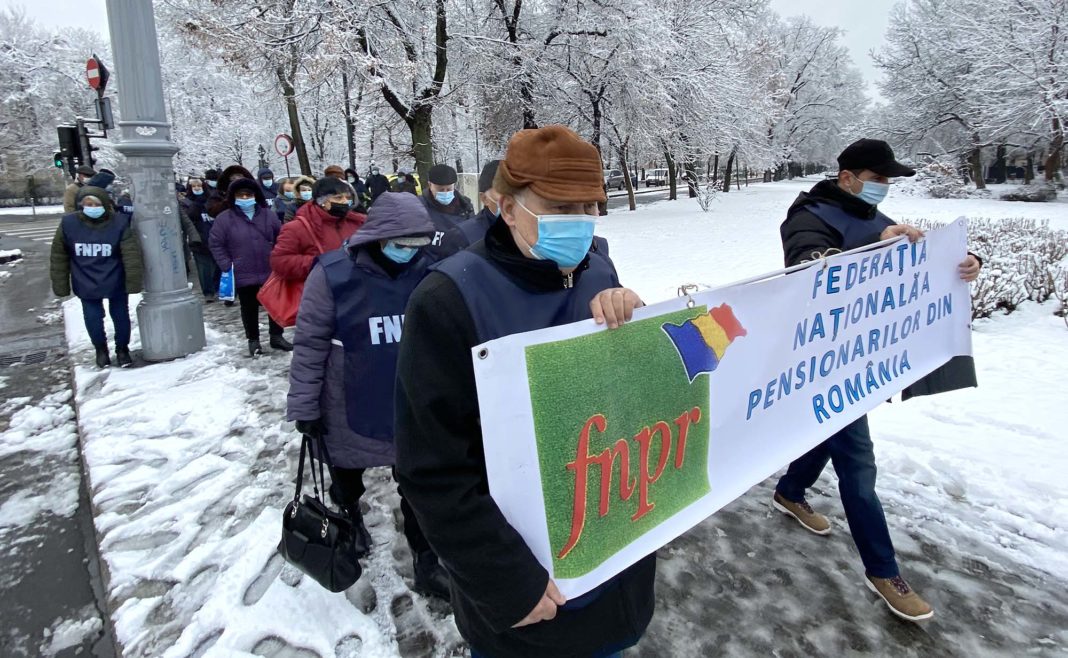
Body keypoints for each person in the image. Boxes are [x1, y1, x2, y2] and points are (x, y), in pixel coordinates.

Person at [395, 125, 652, 657]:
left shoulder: (597, 267)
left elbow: (624, 397)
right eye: (560, 206)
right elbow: (431, 470)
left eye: (589, 207)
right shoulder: (449, 299)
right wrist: (506, 584)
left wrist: (630, 323)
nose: (579, 222)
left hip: (612, 566)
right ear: (507, 208)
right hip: (528, 599)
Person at [772, 138, 983, 623]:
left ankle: (790, 491)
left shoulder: (871, 217)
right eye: (878, 179)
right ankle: (883, 569)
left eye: (889, 180)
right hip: (823, 362)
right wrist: (871, 250)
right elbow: (809, 264)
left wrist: (963, 264)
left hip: (862, 359)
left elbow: (910, 265)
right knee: (859, 465)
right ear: (848, 178)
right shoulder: (809, 216)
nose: (884, 188)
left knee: (832, 436)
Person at [287, 191, 450, 599]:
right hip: (347, 401)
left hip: (411, 399)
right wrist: (305, 407)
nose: (408, 254)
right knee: (346, 477)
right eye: (400, 245)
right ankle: (350, 518)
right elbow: (309, 344)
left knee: (418, 488)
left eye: (416, 245)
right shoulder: (332, 274)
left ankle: (426, 561)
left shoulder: (431, 271)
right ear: (376, 237)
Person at [50, 186, 143, 369]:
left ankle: (122, 349)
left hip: (114, 277)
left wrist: (133, 282)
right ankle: (101, 350)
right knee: (92, 318)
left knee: (120, 316)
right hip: (85, 279)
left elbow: (130, 254)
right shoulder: (69, 224)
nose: (92, 207)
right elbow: (59, 256)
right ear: (81, 205)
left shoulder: (119, 222)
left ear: (105, 204)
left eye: (96, 204)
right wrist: (61, 285)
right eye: (88, 204)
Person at [208, 178, 292, 357]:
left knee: (274, 305)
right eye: (241, 195)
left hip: (269, 269)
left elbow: (282, 237)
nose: (245, 198)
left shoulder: (268, 215)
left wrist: (280, 258)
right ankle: (253, 340)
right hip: (242, 270)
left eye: (249, 195)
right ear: (233, 197)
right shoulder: (224, 219)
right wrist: (227, 265)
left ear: (255, 196)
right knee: (249, 307)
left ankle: (276, 336)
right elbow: (216, 243)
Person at [270, 176, 367, 287]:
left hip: (353, 289)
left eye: (347, 197)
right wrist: (320, 262)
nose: (345, 202)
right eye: (338, 198)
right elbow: (279, 262)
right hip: (317, 292)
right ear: (322, 201)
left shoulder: (357, 222)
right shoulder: (297, 228)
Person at [438, 160, 500, 257]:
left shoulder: (528, 230)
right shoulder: (462, 236)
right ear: (484, 198)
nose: (514, 198)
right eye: (504, 190)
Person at [421, 164, 473, 257]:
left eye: (449, 189)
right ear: (430, 185)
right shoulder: (419, 207)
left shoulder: (465, 206)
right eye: (440, 190)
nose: (445, 193)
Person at [182, 176, 221, 302]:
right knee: (204, 269)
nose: (197, 188)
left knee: (217, 266)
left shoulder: (212, 200)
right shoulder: (186, 202)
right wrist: (196, 204)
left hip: (215, 238)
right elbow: (187, 218)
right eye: (194, 186)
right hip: (199, 240)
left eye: (199, 186)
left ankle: (217, 288)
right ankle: (208, 292)